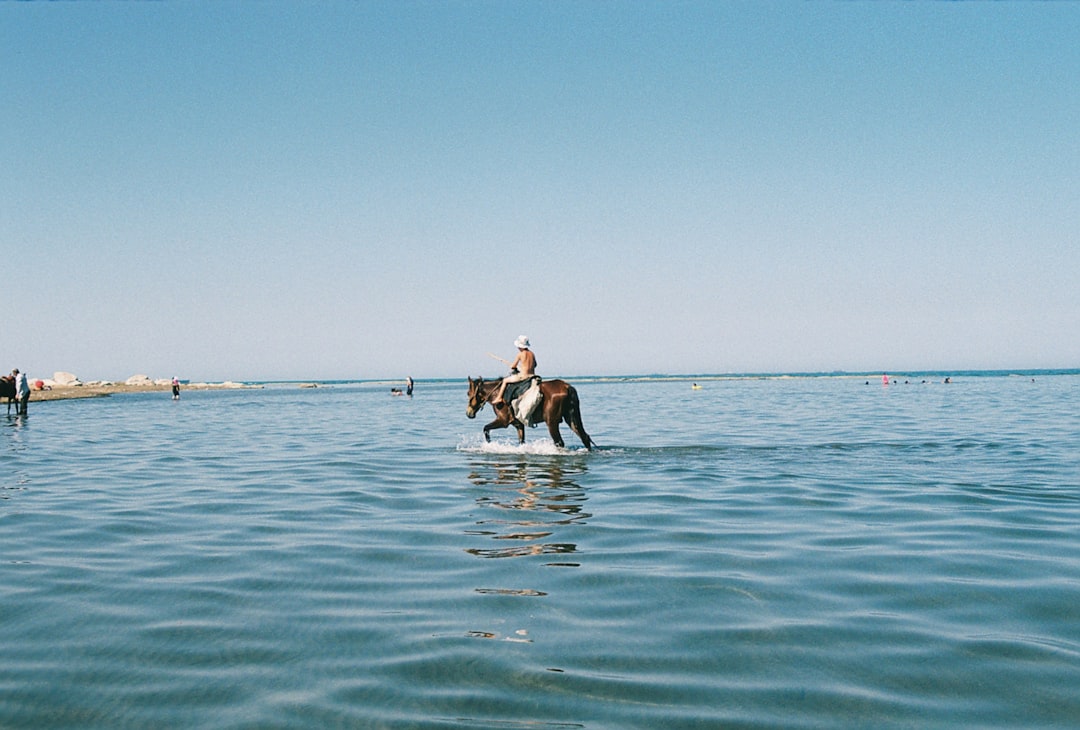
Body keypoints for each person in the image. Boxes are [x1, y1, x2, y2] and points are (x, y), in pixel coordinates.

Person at [492, 335, 537, 408]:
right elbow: (535, 365)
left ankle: (499, 397)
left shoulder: (520, 354)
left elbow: (513, 366)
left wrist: (513, 366)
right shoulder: (532, 353)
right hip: (532, 375)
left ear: (520, 346)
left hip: (523, 376)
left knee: (505, 381)